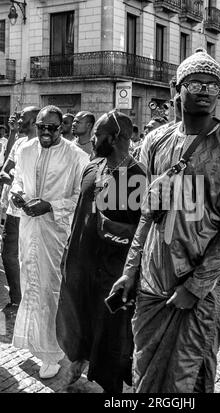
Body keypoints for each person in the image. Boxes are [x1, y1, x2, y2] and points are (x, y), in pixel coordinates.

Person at [110, 48, 220, 393]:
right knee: (145, 363)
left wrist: (195, 287)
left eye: (213, 84)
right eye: (196, 83)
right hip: (152, 277)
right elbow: (146, 215)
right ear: (176, 88)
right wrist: (131, 270)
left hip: (201, 284)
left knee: (189, 372)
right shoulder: (155, 141)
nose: (206, 90)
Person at [56, 110, 145, 392]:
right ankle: (78, 360)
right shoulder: (92, 168)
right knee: (78, 317)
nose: (93, 139)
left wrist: (113, 229)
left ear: (116, 137)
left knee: (111, 332)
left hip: (113, 271)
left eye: (98, 135)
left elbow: (146, 231)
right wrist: (69, 251)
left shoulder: (138, 176)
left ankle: (112, 387)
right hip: (80, 264)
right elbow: (79, 215)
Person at [10, 105, 89, 379]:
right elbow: (18, 180)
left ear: (62, 127)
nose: (45, 132)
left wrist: (50, 206)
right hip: (28, 228)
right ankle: (31, 342)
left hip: (56, 234)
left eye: (51, 128)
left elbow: (82, 197)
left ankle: (52, 353)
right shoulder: (25, 149)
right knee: (29, 283)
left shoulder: (76, 156)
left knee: (51, 289)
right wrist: (18, 195)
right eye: (41, 127)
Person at [0, 106, 40, 315]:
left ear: (33, 121)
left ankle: (31, 300)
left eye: (22, 118)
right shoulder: (18, 143)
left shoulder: (44, 146)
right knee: (8, 255)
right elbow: (4, 172)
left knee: (30, 257)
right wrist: (17, 179)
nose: (17, 121)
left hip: (34, 213)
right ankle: (16, 299)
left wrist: (18, 180)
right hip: (13, 212)